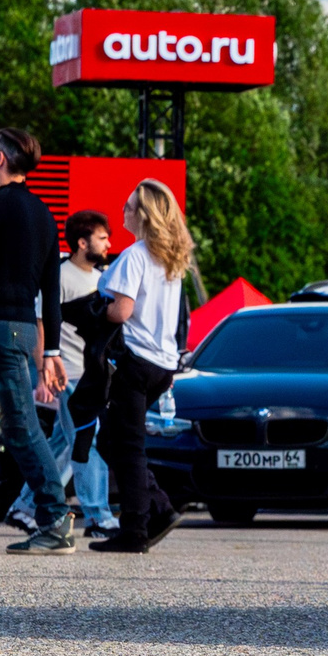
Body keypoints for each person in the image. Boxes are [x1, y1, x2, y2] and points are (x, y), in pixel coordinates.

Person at [0, 128, 77, 553]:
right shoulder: (45, 214)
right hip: (20, 331)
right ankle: (53, 517)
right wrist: (50, 352)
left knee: (20, 429)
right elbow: (52, 291)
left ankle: (53, 518)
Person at [92, 179, 192, 554]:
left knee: (128, 446)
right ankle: (155, 509)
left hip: (135, 362)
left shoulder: (135, 256)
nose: (124, 210)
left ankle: (137, 528)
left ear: (145, 215)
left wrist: (98, 312)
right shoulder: (171, 259)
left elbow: (122, 310)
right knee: (113, 439)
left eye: (130, 205)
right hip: (161, 365)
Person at [19, 210, 117, 538]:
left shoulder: (102, 278)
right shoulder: (58, 276)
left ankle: (25, 506)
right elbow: (40, 324)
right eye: (103, 238)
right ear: (81, 242)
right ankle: (99, 517)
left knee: (62, 444)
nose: (109, 244)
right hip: (68, 375)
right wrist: (43, 370)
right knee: (87, 442)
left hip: (91, 375)